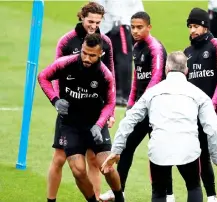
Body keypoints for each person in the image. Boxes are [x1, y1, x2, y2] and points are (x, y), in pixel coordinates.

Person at [101, 51, 217, 202]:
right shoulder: (199, 94)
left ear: (166, 69)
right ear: (186, 70)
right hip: (188, 149)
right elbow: (213, 128)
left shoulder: (151, 93)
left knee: (159, 192)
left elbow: (128, 121)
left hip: (159, 149)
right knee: (193, 187)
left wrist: (116, 150)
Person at [38, 34, 125, 202]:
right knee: (78, 170)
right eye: (84, 53)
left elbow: (110, 103)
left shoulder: (105, 75)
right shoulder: (66, 63)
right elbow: (43, 77)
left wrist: (99, 125)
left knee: (106, 167)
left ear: (100, 54)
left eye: (92, 55)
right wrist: (55, 100)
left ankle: (119, 197)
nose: (86, 58)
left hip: (94, 124)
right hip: (70, 124)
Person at [48, 2, 115, 201]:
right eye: (90, 21)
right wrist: (58, 101)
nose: (93, 26)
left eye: (97, 22)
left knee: (94, 160)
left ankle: (95, 198)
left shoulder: (105, 43)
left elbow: (110, 77)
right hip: (69, 112)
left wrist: (110, 113)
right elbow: (55, 74)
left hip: (94, 110)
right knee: (59, 158)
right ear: (81, 18)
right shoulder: (67, 41)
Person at [99, 11, 169, 202]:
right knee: (126, 148)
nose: (136, 31)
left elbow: (155, 78)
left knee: (160, 153)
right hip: (140, 109)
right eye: (133, 27)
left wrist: (141, 104)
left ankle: (167, 195)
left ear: (149, 27)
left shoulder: (156, 48)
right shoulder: (137, 47)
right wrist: (131, 106)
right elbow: (137, 81)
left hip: (158, 110)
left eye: (140, 27)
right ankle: (117, 192)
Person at [183, 7, 217, 202]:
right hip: (194, 114)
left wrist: (216, 107)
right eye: (190, 26)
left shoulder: (216, 46)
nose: (192, 30)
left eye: (196, 26)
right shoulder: (188, 52)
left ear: (205, 27)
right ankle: (211, 196)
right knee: (201, 154)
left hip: (215, 111)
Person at [94, 0, 144, 106]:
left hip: (114, 24)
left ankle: (118, 93)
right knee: (117, 58)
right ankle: (119, 94)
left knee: (117, 58)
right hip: (114, 24)